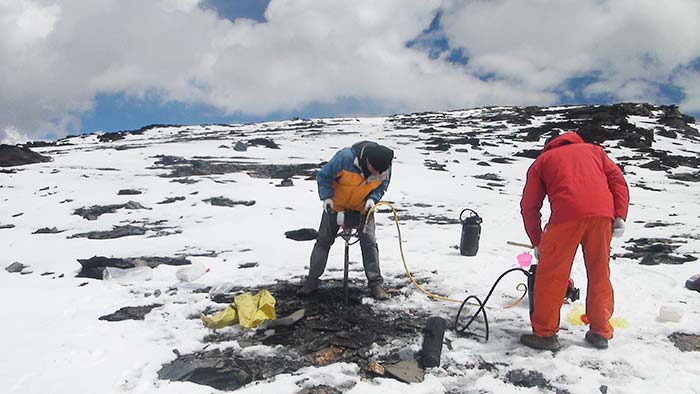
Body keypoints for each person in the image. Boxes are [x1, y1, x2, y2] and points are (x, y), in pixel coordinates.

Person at [519, 131, 629, 350]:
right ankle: (600, 331)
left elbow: (529, 206)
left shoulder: (543, 161)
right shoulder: (595, 151)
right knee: (599, 273)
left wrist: (537, 241)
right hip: (602, 217)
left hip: (565, 218)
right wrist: (620, 214)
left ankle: (545, 335)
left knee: (551, 276)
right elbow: (618, 181)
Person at [299, 141, 394, 300]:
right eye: (374, 170)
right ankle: (312, 281)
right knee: (323, 240)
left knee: (369, 243)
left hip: (364, 208)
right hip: (336, 205)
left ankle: (376, 284)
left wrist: (373, 199)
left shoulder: (385, 167)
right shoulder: (345, 158)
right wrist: (327, 197)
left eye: (381, 171)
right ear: (368, 161)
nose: (377, 173)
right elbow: (323, 175)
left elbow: (383, 185)